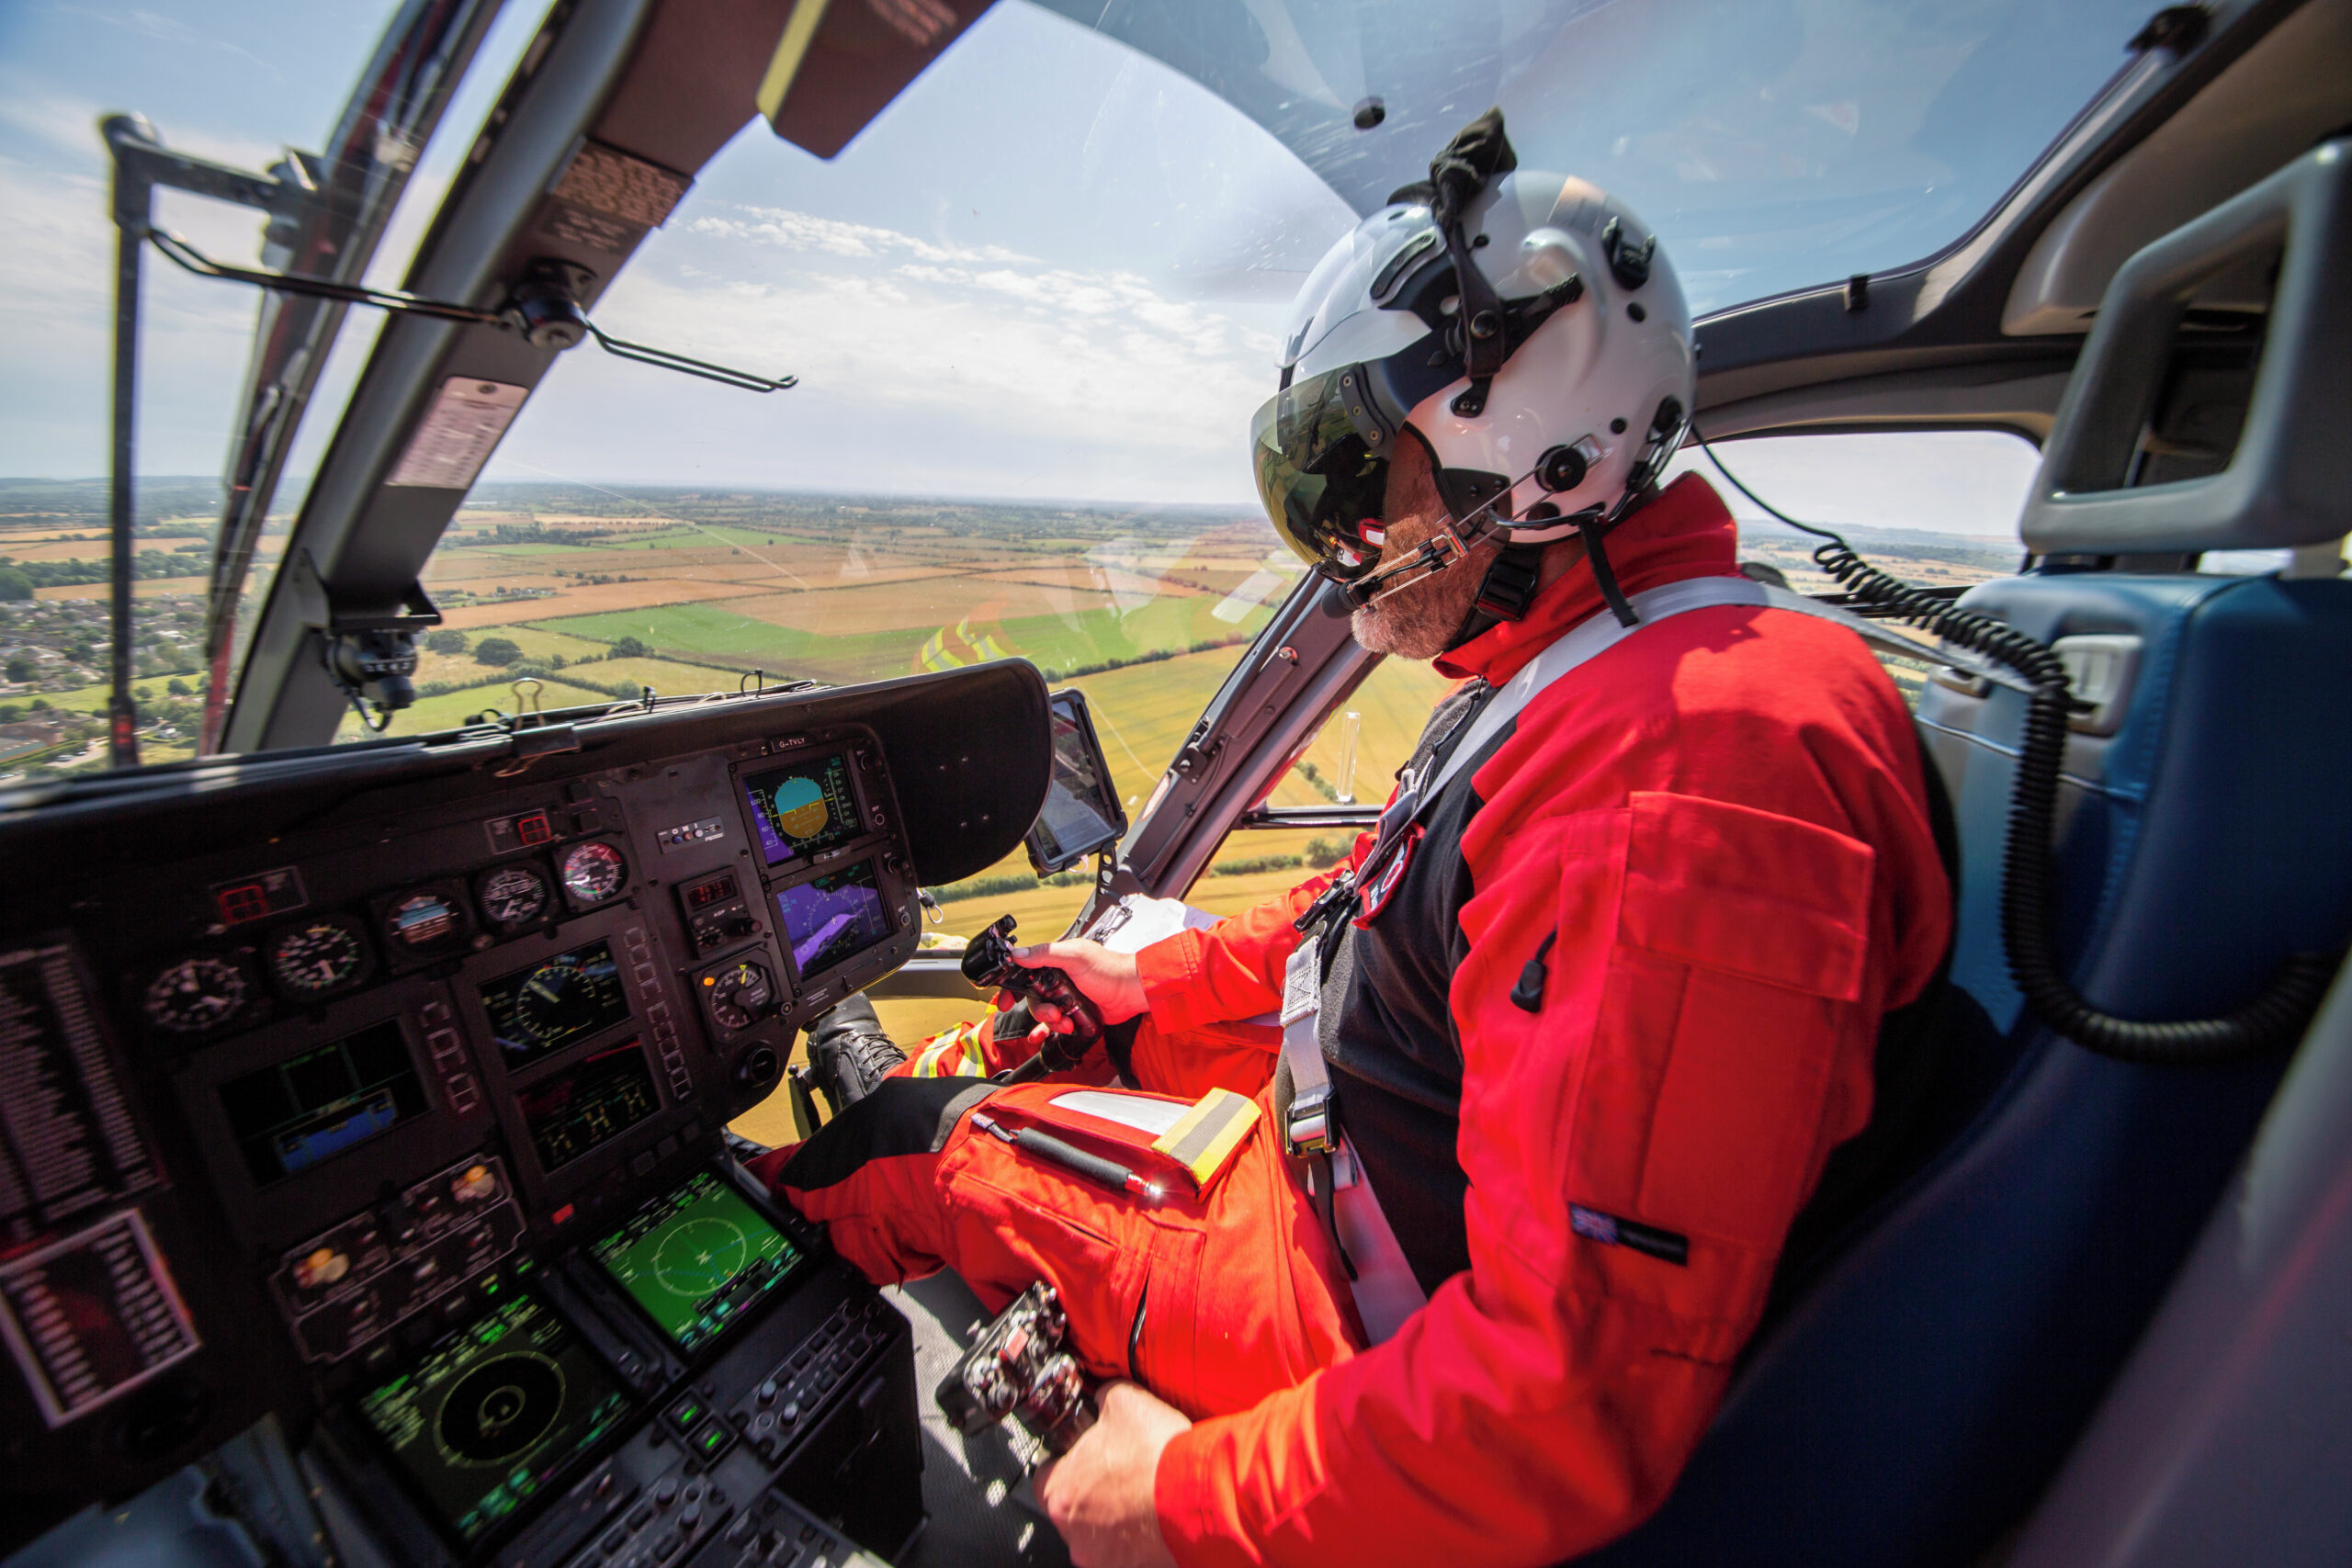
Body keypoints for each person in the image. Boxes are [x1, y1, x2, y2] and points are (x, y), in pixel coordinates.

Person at [743, 115, 1951, 1568]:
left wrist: (1178, 1504)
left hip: (1347, 1299)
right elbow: (1375, 918)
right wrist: (1142, 989)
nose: (1329, 530)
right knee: (1050, 1036)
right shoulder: (1587, 675)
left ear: (1537, 449)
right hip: (1360, 1151)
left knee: (913, 1145)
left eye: (1343, 471)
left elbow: (1564, 1402)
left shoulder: (1684, 780)